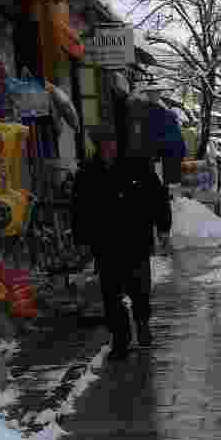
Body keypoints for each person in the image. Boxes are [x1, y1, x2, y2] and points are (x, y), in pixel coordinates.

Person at [72, 123, 172, 361]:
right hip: (105, 244)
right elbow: (79, 209)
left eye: (111, 143)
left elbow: (158, 198)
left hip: (135, 241)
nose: (108, 148)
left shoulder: (137, 166)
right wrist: (82, 239)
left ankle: (142, 323)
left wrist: (163, 227)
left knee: (140, 290)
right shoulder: (88, 172)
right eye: (103, 144)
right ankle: (121, 340)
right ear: (98, 146)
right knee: (111, 296)